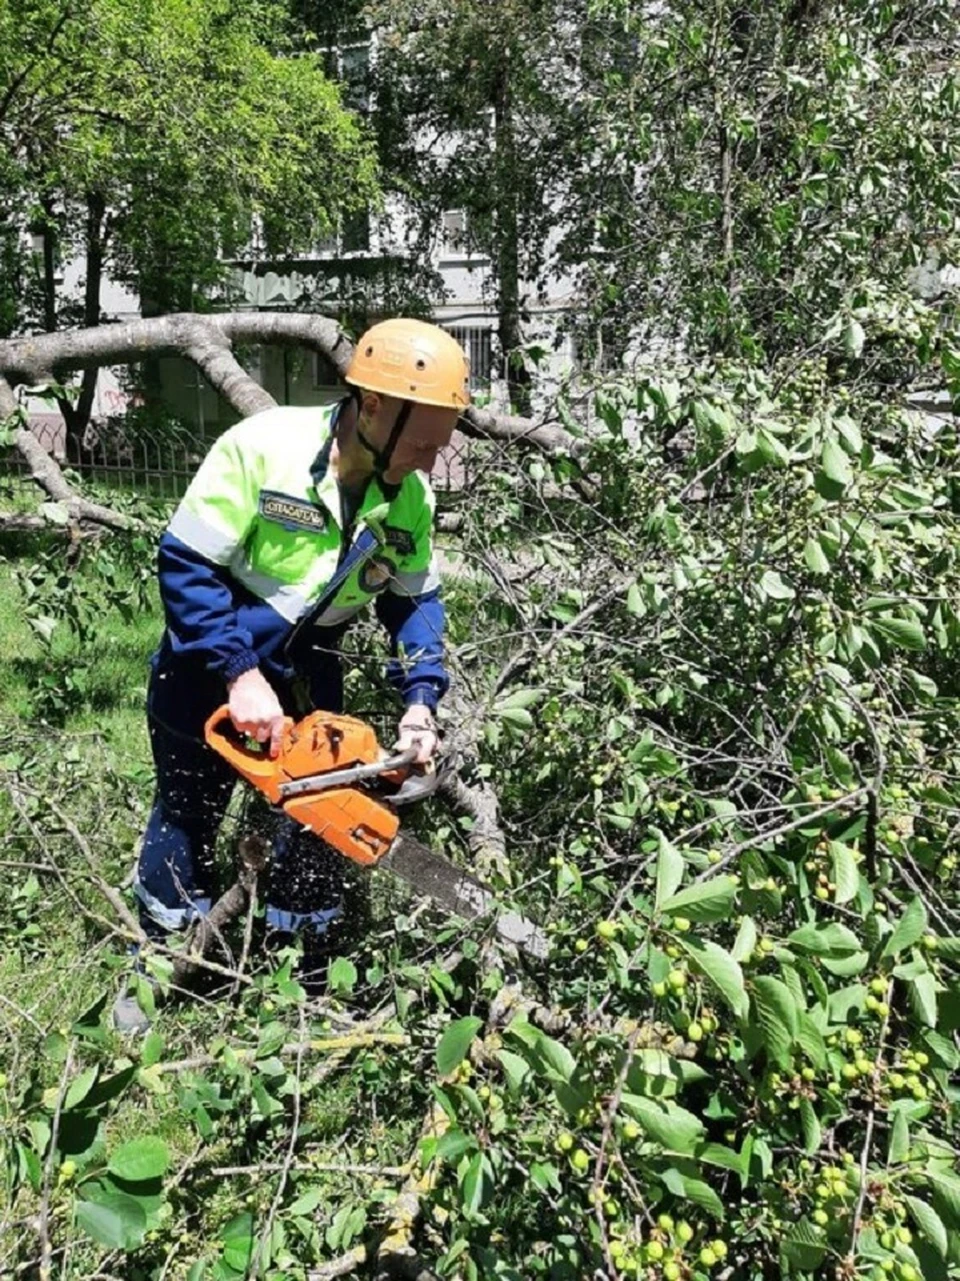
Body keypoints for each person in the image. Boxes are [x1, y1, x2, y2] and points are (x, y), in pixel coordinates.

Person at [113, 318, 470, 1031]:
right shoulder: (264, 449)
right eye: (425, 441)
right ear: (373, 406)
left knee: (317, 822)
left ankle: (301, 971)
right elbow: (187, 561)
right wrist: (239, 674)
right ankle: (160, 965)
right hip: (208, 664)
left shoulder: (410, 500)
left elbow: (415, 604)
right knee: (188, 810)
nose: (433, 461)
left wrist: (420, 702)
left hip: (312, 672)